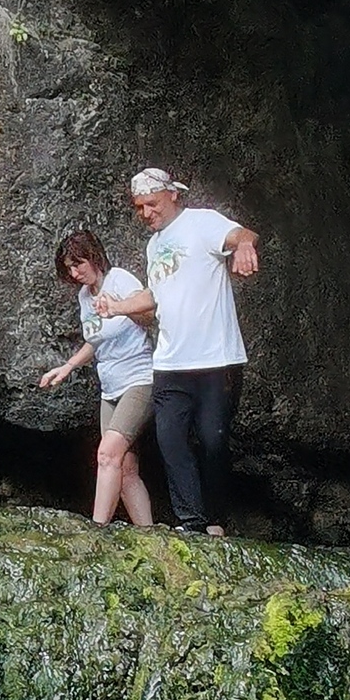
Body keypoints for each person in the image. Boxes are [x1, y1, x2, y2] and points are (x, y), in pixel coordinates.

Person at [94, 166, 259, 537]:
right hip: (170, 362)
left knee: (213, 439)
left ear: (172, 195)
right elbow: (157, 295)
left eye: (150, 204)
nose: (145, 213)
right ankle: (191, 521)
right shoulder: (154, 246)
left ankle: (215, 521)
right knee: (171, 440)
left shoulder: (202, 223)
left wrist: (245, 246)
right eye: (138, 207)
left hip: (216, 360)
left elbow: (242, 234)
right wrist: (118, 308)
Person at [37, 228, 156, 526]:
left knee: (107, 454)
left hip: (139, 377)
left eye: (79, 264)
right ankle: (149, 533)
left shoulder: (120, 280)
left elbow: (149, 312)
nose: (76, 272)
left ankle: (96, 529)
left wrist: (118, 308)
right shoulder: (83, 296)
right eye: (70, 268)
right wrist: (67, 366)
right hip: (110, 387)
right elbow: (96, 339)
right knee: (125, 466)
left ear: (94, 257)